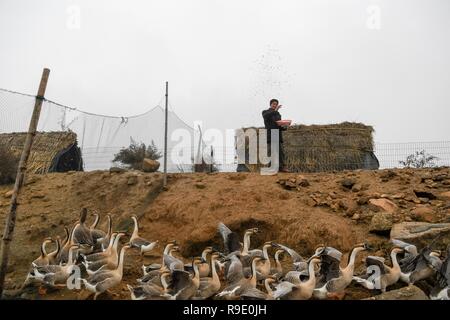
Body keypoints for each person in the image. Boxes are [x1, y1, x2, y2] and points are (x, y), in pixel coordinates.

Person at [262, 99, 290, 172]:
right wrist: (276, 110)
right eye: (273, 104)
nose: (275, 105)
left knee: (281, 153)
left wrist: (284, 126)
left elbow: (279, 125)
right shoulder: (265, 112)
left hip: (278, 134)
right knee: (271, 152)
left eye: (276, 104)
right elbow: (266, 116)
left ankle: (282, 167)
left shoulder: (278, 114)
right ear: (270, 104)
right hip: (271, 134)